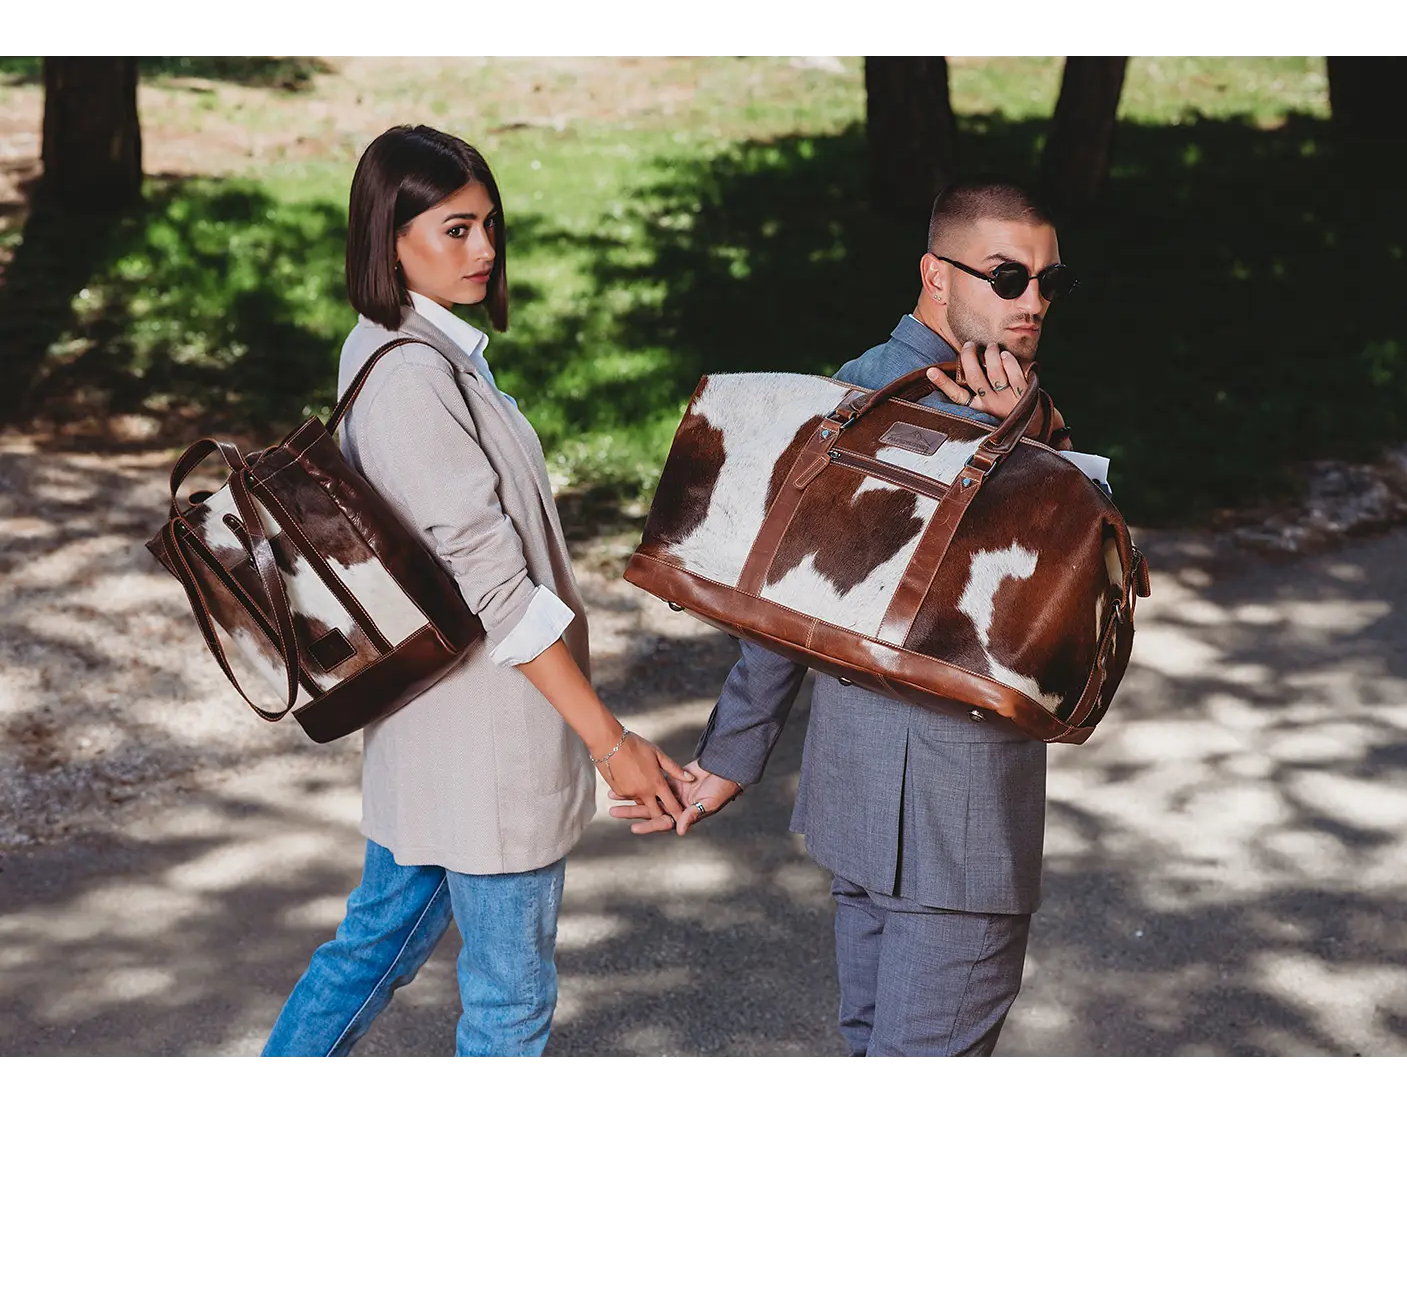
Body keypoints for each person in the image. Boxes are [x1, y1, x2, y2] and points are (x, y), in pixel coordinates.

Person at [612, 177, 1076, 1060]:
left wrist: (732, 754)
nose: (1034, 302)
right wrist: (1035, 432)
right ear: (935, 274)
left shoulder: (853, 386)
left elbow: (790, 600)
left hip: (859, 807)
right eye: (1009, 277)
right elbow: (1089, 574)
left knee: (873, 1053)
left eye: (1052, 282)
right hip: (958, 820)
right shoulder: (990, 416)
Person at [262, 125, 690, 1060]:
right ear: (390, 239)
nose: (486, 250)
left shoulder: (396, 343)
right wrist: (610, 744)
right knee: (507, 1009)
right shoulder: (414, 376)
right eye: (456, 230)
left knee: (369, 952)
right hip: (487, 743)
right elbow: (498, 584)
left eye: (489, 224)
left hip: (435, 736)